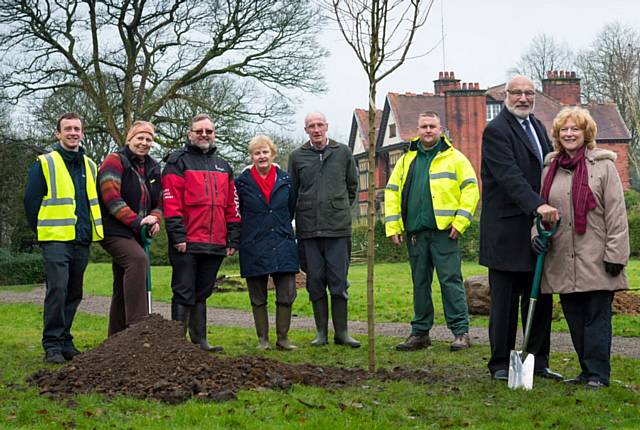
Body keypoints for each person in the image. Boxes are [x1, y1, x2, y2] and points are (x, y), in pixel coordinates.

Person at [532, 107, 629, 389]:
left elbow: (616, 215)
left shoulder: (604, 166)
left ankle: (599, 373)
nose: (570, 134)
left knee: (596, 319)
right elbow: (540, 210)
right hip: (562, 257)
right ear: (557, 135)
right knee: (574, 317)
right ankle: (586, 371)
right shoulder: (550, 170)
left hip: (596, 257)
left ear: (587, 133)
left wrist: (616, 254)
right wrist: (535, 235)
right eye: (564, 130)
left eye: (575, 129)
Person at [479, 75, 563, 381]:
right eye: (517, 93)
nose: (524, 98)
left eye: (529, 93)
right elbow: (509, 177)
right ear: (505, 95)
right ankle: (500, 364)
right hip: (505, 232)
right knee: (504, 304)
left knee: (539, 298)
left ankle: (538, 362)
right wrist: (537, 206)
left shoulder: (538, 128)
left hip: (534, 231)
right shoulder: (496, 131)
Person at [385, 111, 479, 352]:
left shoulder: (455, 158)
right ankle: (420, 333)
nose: (428, 130)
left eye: (432, 126)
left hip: (445, 233)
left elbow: (471, 189)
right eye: (424, 126)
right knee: (420, 283)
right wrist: (393, 226)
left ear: (441, 130)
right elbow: (392, 191)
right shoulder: (406, 160)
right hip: (415, 234)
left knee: (451, 281)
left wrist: (460, 222)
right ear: (417, 130)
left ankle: (460, 332)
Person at [24, 112, 103, 364]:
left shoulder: (91, 166)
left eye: (77, 129)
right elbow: (31, 201)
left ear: (82, 133)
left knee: (74, 292)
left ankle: (65, 340)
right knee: (57, 289)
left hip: (81, 238)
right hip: (55, 239)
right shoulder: (44, 163)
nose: (73, 132)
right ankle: (52, 344)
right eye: (67, 128)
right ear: (58, 134)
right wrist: (42, 232)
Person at [162, 113, 240, 352]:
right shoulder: (177, 163)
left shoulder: (224, 166)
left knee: (203, 292)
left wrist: (232, 237)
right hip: (187, 241)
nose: (204, 135)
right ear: (190, 134)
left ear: (214, 134)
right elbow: (171, 202)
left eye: (208, 131)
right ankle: (176, 343)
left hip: (216, 242)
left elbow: (232, 204)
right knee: (184, 291)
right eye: (199, 131)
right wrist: (178, 236)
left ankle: (200, 340)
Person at [288, 111, 360, 348]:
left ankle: (342, 333)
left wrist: (336, 207)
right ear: (306, 130)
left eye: (320, 125)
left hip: (338, 229)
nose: (316, 129)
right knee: (315, 281)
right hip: (308, 230)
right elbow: (292, 192)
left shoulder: (343, 152)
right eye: (311, 126)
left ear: (326, 126)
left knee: (339, 281)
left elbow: (352, 186)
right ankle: (321, 333)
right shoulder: (297, 157)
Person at [98, 121, 162, 336]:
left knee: (122, 280)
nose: (144, 143)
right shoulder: (115, 161)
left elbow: (160, 201)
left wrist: (155, 218)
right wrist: (137, 221)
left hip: (137, 232)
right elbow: (111, 197)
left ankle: (116, 337)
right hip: (114, 230)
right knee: (137, 260)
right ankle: (138, 329)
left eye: (148, 139)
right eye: (140, 138)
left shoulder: (153, 166)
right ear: (129, 139)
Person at [235, 135, 299, 351]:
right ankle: (263, 339)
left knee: (287, 293)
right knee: (257, 296)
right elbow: (238, 212)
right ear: (251, 156)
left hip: (282, 241)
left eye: (265, 152)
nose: (261, 156)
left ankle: (283, 338)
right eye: (257, 153)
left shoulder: (286, 180)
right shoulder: (241, 183)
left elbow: (290, 209)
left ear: (273, 154)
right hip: (254, 243)